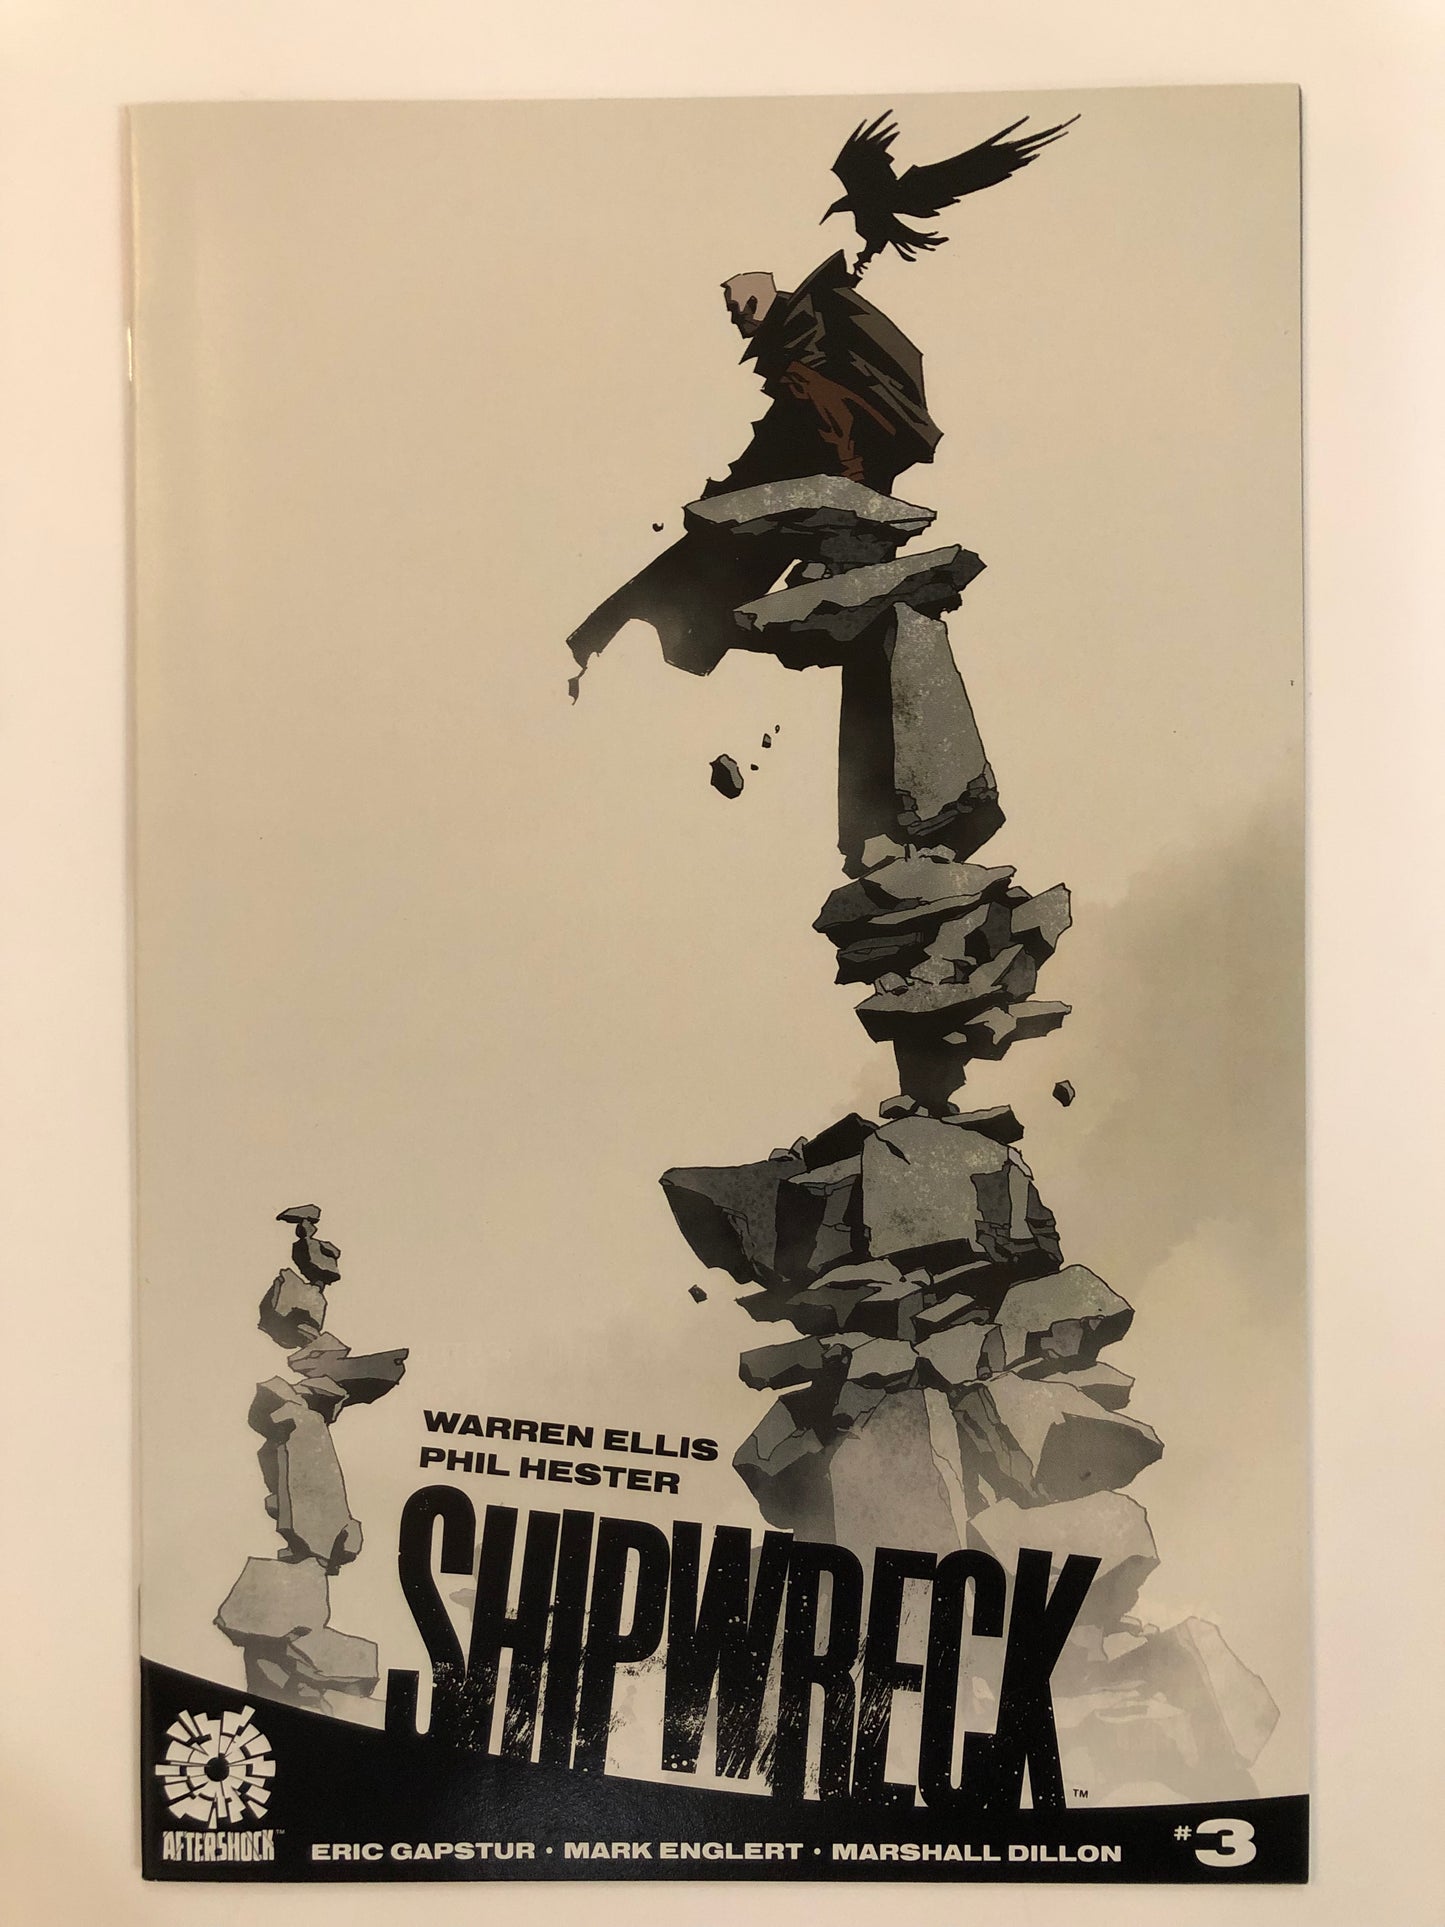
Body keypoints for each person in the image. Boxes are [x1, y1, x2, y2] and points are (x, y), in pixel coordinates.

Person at [567, 254, 940, 686]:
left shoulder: (804, 359)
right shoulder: (802, 343)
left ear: (754, 305)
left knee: (708, 565)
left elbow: (826, 424)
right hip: (822, 484)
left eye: (734, 310)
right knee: (715, 565)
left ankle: (611, 651)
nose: (732, 320)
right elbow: (788, 435)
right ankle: (637, 650)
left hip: (832, 485)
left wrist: (853, 487)